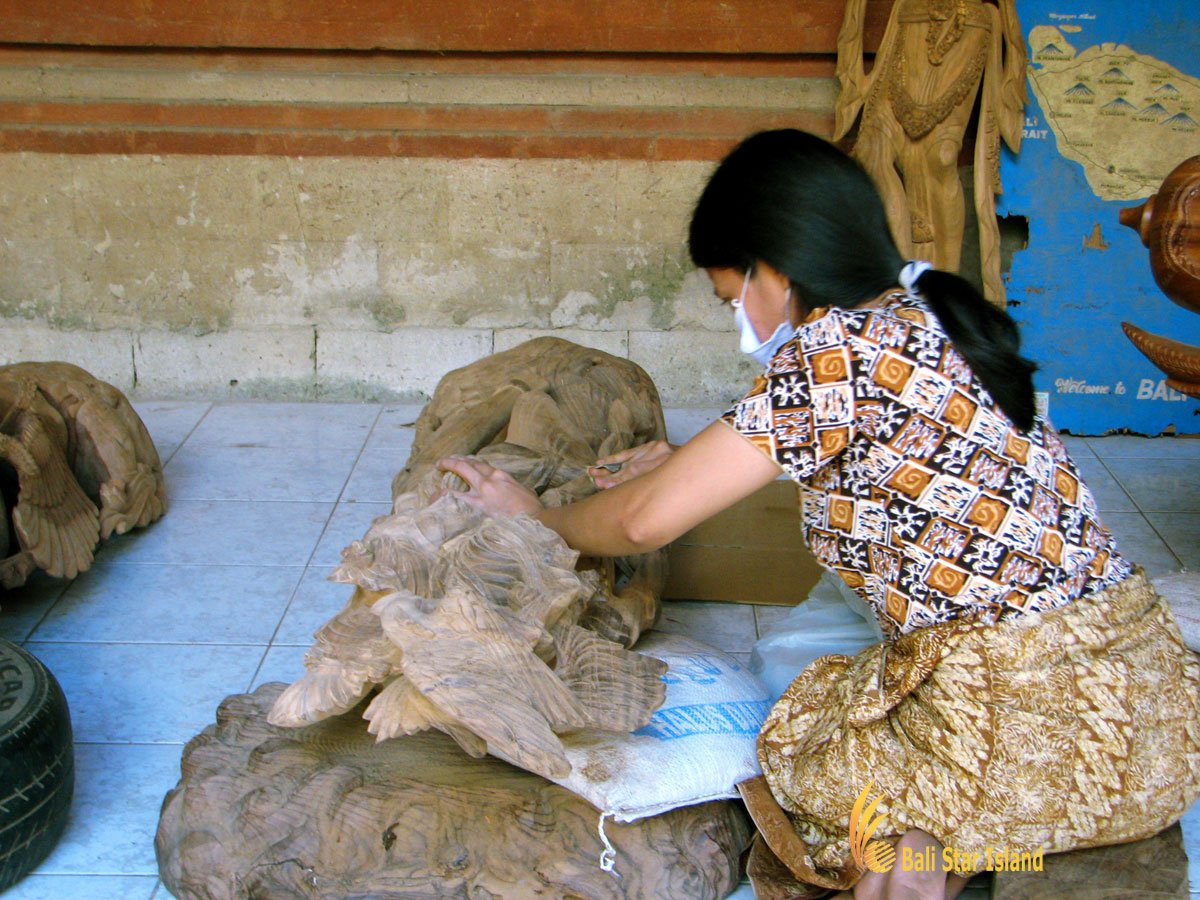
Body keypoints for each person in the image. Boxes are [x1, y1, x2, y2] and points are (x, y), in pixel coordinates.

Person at [437, 129, 1200, 899]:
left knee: (804, 740)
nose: (742, 325)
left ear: (777, 267)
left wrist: (536, 513)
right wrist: (687, 461)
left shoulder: (832, 352)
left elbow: (642, 524)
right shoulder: (935, 310)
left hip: (1014, 729)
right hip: (1155, 726)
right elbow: (896, 459)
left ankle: (925, 849)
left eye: (735, 298)